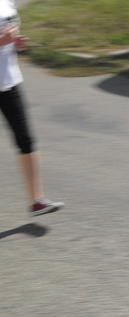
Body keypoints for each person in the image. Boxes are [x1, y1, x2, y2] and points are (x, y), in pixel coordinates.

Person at [1, 0, 63, 216]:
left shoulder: (7, 3)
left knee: (25, 139)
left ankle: (36, 200)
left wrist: (15, 42)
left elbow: (8, 36)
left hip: (8, 81)